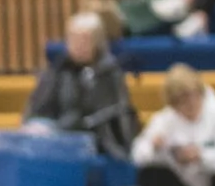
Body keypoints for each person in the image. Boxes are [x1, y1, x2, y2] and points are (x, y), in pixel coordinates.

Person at [21, 13, 135, 159]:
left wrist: (59, 130)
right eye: (73, 39)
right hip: (58, 137)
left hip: (97, 141)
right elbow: (39, 105)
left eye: (84, 40)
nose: (77, 45)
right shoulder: (59, 69)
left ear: (97, 42)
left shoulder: (108, 72)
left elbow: (105, 116)